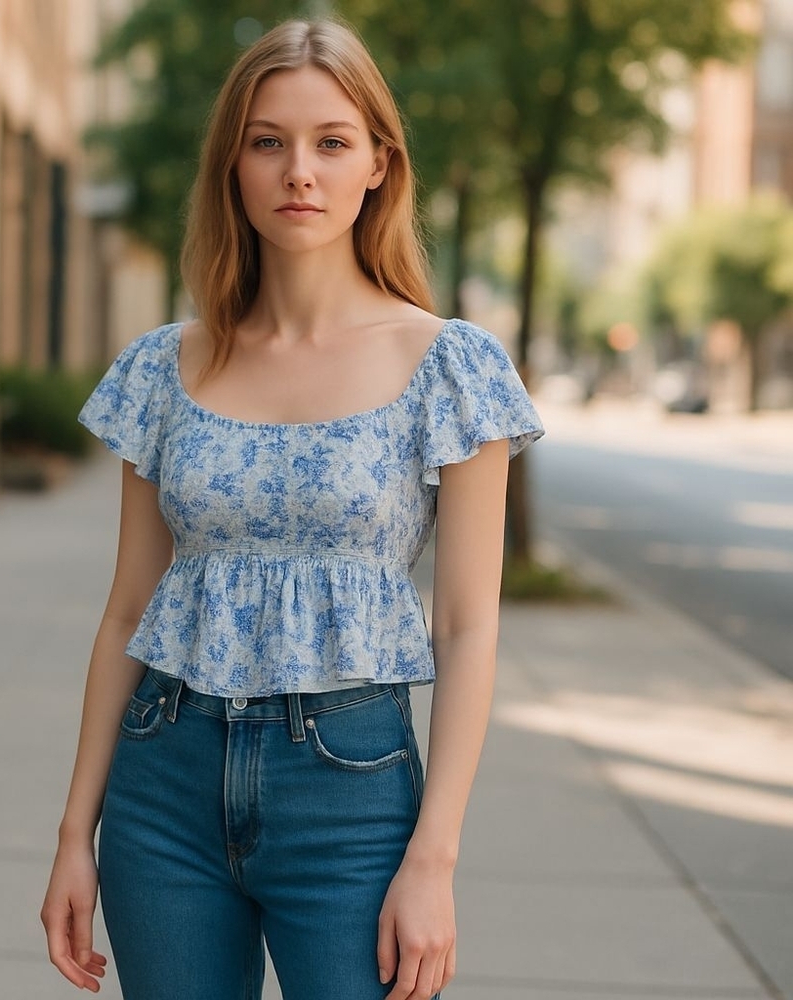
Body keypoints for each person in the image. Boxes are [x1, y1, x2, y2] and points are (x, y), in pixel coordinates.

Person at [41, 17, 543, 1000]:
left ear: (377, 166)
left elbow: (469, 624)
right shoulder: (164, 365)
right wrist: (74, 833)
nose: (297, 171)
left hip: (349, 789)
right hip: (163, 782)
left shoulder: (449, 365)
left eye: (330, 141)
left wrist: (432, 860)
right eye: (267, 141)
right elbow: (123, 612)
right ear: (233, 165)